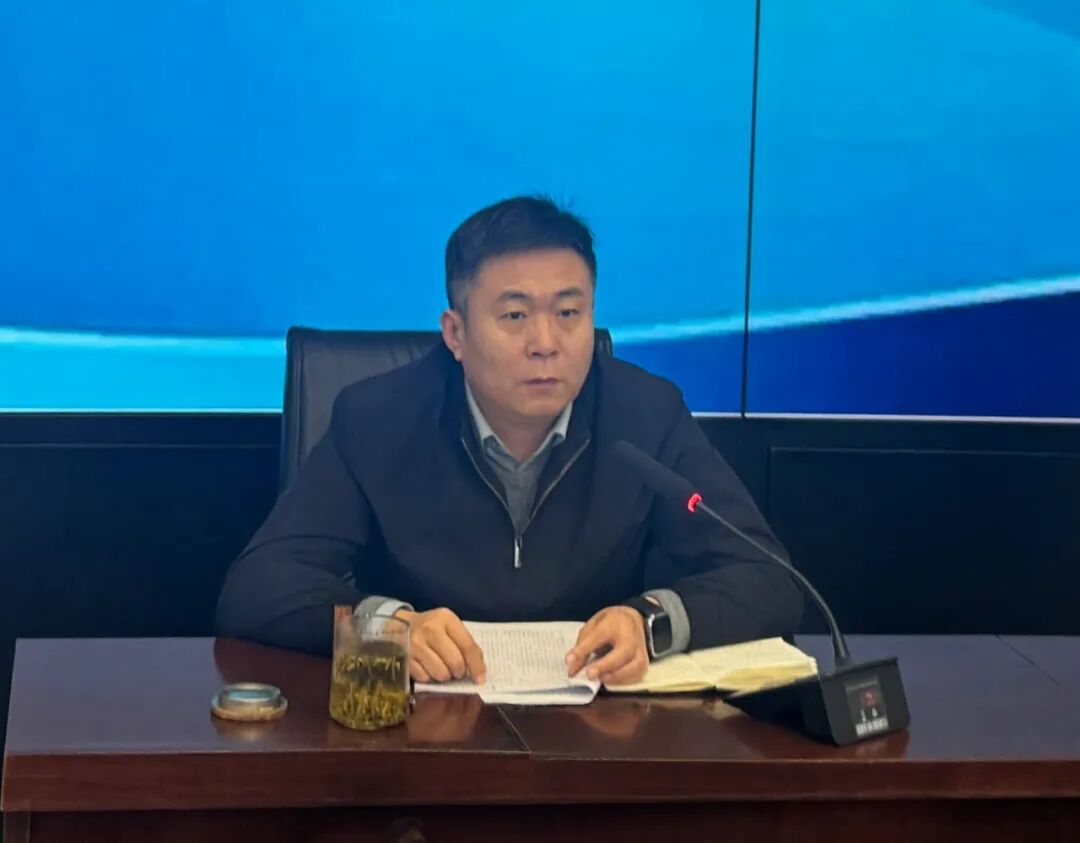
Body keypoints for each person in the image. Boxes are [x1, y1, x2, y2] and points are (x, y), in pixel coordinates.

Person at [216, 196, 802, 686]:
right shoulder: (378, 419)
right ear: (456, 333)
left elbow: (769, 578)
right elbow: (257, 588)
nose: (546, 343)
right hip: (419, 734)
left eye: (568, 313)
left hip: (599, 736)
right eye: (515, 317)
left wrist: (653, 623)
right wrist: (389, 627)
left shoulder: (646, 415)